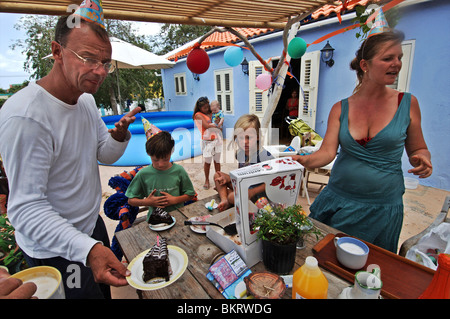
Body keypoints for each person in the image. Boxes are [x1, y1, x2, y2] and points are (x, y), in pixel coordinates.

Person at [0, 14, 140, 298]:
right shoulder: (27, 116)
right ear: (56, 51)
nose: (99, 71)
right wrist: (87, 249)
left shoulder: (85, 100)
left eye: (105, 63)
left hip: (91, 226)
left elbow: (104, 153)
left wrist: (120, 135)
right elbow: (25, 210)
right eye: (88, 58)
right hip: (55, 250)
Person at [292, 30, 432, 253]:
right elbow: (327, 153)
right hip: (338, 201)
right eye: (388, 58)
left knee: (369, 268)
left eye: (399, 58)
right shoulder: (341, 108)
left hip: (382, 208)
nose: (396, 64)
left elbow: (419, 147)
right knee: (323, 258)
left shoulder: (407, 103)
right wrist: (302, 161)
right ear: (365, 65)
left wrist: (422, 157)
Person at [126, 131, 196, 222]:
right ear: (149, 154)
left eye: (165, 159)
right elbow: (131, 200)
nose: (160, 164)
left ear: (171, 151)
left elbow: (190, 194)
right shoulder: (143, 174)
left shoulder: (179, 171)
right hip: (155, 221)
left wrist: (175, 200)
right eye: (155, 160)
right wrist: (147, 202)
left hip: (178, 217)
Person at [214, 114, 274, 211]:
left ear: (258, 136)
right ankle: (224, 200)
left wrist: (252, 192)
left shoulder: (265, 157)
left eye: (249, 138)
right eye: (241, 138)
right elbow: (241, 175)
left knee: (232, 197)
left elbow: (274, 182)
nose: (245, 142)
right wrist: (228, 178)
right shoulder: (240, 153)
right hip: (244, 187)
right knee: (217, 176)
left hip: (259, 196)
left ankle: (228, 197)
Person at [193, 97, 222, 189]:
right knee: (208, 162)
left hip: (216, 140)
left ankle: (218, 179)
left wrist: (217, 122)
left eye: (207, 107)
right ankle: (207, 180)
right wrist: (216, 124)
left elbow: (217, 125)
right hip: (207, 142)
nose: (206, 109)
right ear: (199, 108)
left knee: (217, 161)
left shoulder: (210, 113)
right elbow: (207, 126)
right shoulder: (198, 115)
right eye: (204, 108)